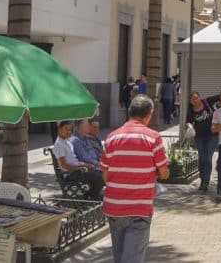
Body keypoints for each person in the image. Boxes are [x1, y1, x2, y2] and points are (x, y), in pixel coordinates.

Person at [101, 95, 169, 263]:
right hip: (139, 208)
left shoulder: (111, 137)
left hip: (114, 207)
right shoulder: (154, 138)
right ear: (149, 113)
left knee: (120, 257)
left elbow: (105, 176)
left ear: (129, 112)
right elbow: (164, 173)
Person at [54, 121, 104, 199]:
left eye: (70, 130)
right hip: (71, 173)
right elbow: (65, 165)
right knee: (99, 176)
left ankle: (91, 196)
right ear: (59, 129)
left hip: (77, 169)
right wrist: (83, 166)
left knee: (100, 173)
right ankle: (93, 198)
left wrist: (84, 165)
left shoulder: (67, 142)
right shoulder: (59, 144)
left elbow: (75, 160)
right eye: (66, 129)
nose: (68, 132)